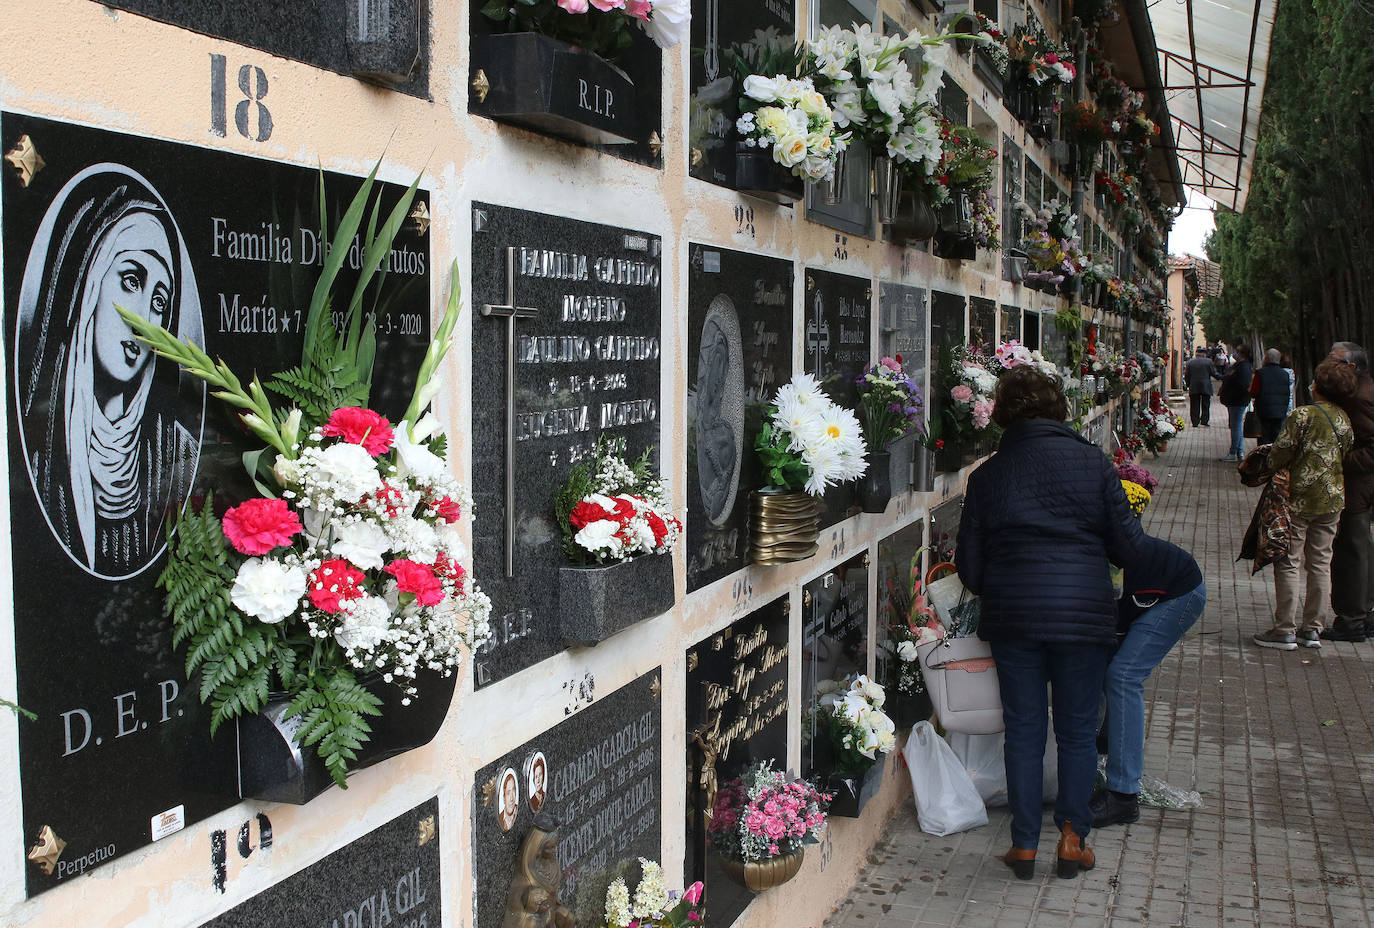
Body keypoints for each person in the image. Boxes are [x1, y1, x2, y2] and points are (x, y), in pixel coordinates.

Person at [957, 366, 1144, 881]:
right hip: (1083, 616)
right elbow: (1128, 548)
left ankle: (1022, 845)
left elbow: (970, 570)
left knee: (1023, 729)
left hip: (1015, 617)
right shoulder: (1094, 465)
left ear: (1001, 414)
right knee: (1078, 731)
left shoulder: (987, 477)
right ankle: (1071, 837)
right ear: (1059, 409)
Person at [14, 165, 203, 579]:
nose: (144, 323)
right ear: (89, 285)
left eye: (159, 301)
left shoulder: (182, 456)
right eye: (131, 281)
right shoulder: (35, 454)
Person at [1093, 536, 1206, 827]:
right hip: (1140, 591)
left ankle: (1123, 796)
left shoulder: (1086, 560)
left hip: (1177, 592)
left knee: (1124, 675)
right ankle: (1105, 750)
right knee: (1105, 666)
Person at [1253, 359, 1357, 650]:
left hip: (1297, 497)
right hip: (1333, 498)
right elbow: (1346, 449)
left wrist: (1267, 464)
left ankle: (1284, 628)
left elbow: (1281, 452)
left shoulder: (1303, 416)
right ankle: (1313, 629)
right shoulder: (1343, 418)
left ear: (1319, 387)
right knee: (1321, 562)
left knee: (1289, 560)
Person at [1324, 342, 1374, 642]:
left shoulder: (1359, 397)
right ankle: (1363, 616)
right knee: (1361, 550)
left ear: (1352, 366)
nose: (1328, 364)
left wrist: (1338, 461)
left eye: (1334, 360)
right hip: (1360, 485)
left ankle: (1352, 621)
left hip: (1359, 487)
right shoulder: (1360, 390)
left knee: (1351, 553)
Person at [1217, 344, 1254, 462]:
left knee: (1236, 426)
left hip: (1237, 400)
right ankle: (1239, 451)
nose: (1235, 354)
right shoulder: (1242, 366)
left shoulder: (1242, 367)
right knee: (1237, 426)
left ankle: (1234, 452)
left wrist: (1228, 381)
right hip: (1236, 400)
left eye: (1237, 351)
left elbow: (1241, 384)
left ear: (1242, 353)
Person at [1253, 348, 1292, 446]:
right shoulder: (1285, 374)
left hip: (1264, 411)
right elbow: (1287, 393)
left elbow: (1254, 391)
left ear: (1266, 359)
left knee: (1264, 439)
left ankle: (1264, 459)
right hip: (1280, 412)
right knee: (1277, 438)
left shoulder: (1260, 373)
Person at [1184, 347, 1220, 427]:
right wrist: (1221, 377)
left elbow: (1187, 375)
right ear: (1204, 354)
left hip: (1194, 386)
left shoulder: (1190, 362)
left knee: (1194, 405)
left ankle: (1195, 422)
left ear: (1196, 354)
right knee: (1206, 404)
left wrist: (1188, 384)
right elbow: (1213, 373)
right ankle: (1204, 421)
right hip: (1205, 386)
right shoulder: (1208, 362)